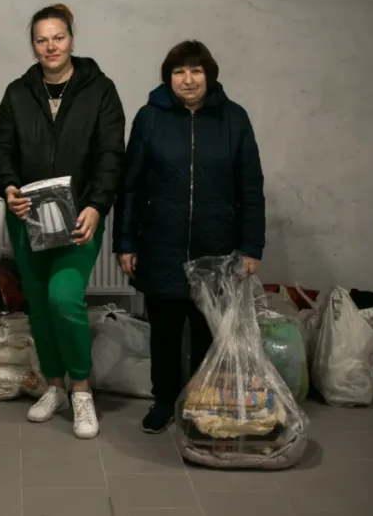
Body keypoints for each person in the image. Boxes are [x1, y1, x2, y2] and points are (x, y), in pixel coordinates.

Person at [113, 40, 265, 434]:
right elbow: (129, 186)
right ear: (169, 79)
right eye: (179, 72)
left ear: (209, 75)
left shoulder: (234, 119)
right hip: (161, 244)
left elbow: (251, 186)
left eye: (196, 71)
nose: (188, 79)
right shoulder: (149, 118)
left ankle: (199, 401)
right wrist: (126, 242)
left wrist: (251, 247)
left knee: (206, 330)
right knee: (163, 332)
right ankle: (164, 400)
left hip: (215, 248)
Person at [0, 3, 126, 439]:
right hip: (29, 217)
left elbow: (110, 155)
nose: (50, 46)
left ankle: (81, 390)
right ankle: (54, 387)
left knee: (64, 297)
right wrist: (9, 187)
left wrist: (96, 206)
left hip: (79, 216)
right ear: (33, 45)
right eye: (41, 39)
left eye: (58, 37)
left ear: (72, 39)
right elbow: (2, 151)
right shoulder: (17, 92)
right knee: (40, 306)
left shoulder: (100, 90)